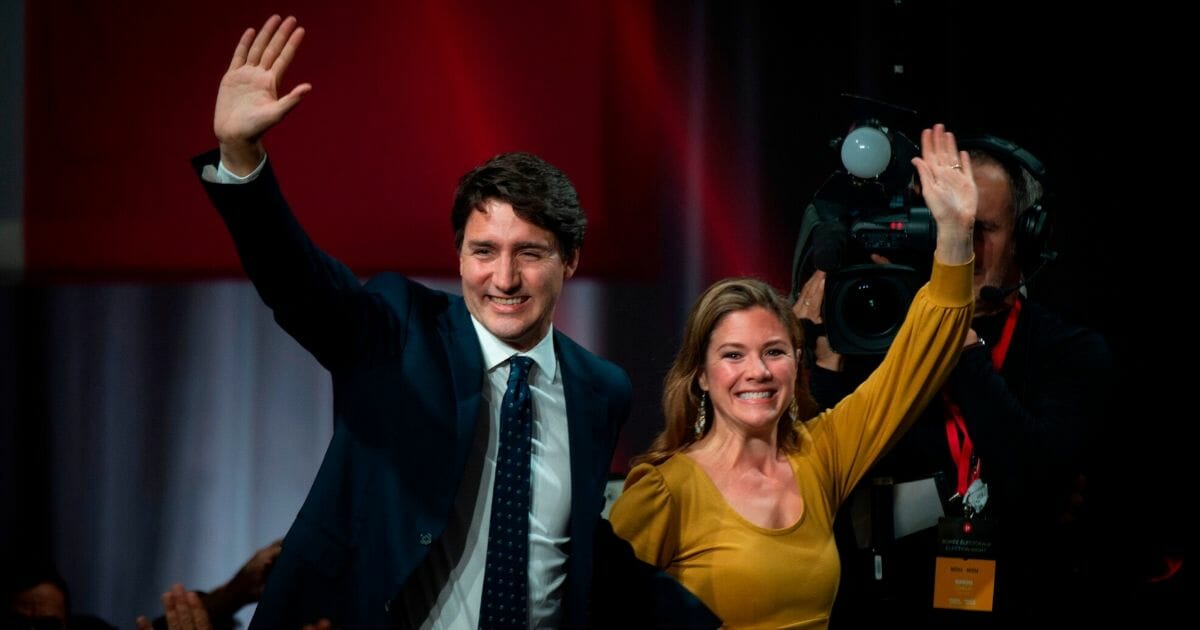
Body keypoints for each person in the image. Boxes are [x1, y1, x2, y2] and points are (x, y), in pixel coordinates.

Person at [193, 13, 715, 630]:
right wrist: (242, 158)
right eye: (484, 251)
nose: (504, 279)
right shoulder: (398, 329)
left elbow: (574, 544)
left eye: (530, 252)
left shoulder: (601, 388)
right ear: (459, 255)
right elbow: (301, 285)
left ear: (570, 259)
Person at [608, 124, 977, 628]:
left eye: (774, 351)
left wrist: (955, 234)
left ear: (796, 361)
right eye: (733, 355)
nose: (757, 371)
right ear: (699, 375)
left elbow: (916, 363)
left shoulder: (820, 453)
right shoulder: (664, 492)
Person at [793, 134, 1115, 627]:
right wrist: (824, 354)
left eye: (981, 227)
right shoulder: (880, 332)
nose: (965, 244)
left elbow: (1035, 477)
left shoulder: (1070, 349)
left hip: (1026, 601)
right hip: (889, 606)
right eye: (949, 227)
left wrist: (954, 336)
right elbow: (826, 470)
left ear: (1026, 237)